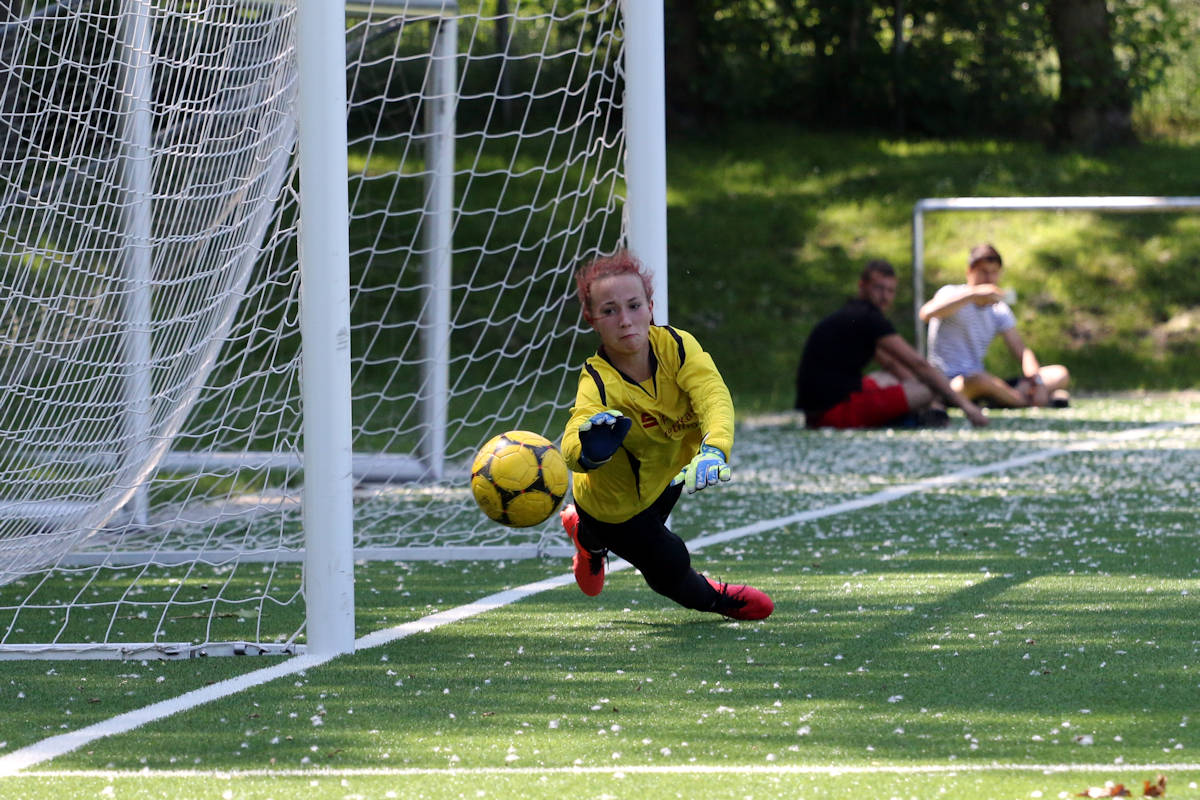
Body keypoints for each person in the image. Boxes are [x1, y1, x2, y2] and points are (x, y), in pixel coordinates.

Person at [558, 250, 773, 621]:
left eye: (634, 305)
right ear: (591, 319)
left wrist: (714, 449)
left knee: (650, 536)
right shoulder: (597, 380)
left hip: (668, 474)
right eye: (610, 311)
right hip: (613, 505)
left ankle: (586, 537)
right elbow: (572, 438)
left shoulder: (677, 346)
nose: (625, 321)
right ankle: (718, 600)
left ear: (651, 306)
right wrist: (587, 452)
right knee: (670, 562)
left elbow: (712, 394)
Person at [795, 259, 989, 429]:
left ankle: (921, 412)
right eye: (878, 288)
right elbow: (918, 364)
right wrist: (967, 407)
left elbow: (891, 364)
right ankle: (912, 417)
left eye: (890, 290)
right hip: (834, 413)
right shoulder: (869, 318)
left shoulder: (853, 313)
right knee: (929, 388)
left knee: (889, 378)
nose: (885, 296)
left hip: (816, 410)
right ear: (862, 286)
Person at [919, 243, 1070, 408]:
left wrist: (1037, 381)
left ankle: (1011, 397)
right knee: (980, 380)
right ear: (969, 271)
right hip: (951, 383)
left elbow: (1022, 351)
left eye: (994, 273)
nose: (989, 279)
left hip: (986, 381)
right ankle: (1025, 401)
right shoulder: (951, 294)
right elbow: (926, 313)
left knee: (1059, 373)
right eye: (983, 272)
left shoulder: (999, 309)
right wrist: (972, 294)